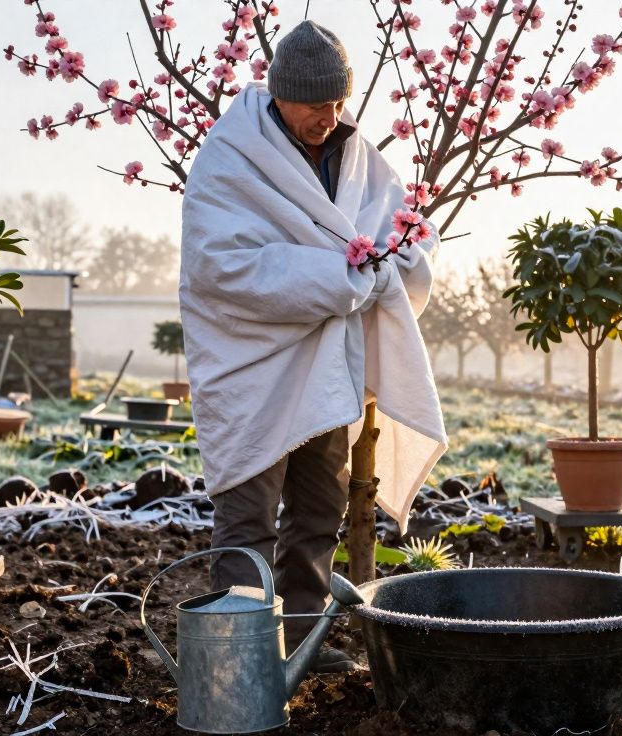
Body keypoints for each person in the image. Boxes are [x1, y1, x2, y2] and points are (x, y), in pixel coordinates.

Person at [179, 20, 447, 674]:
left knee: (319, 512)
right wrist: (335, 275)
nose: (328, 117)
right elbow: (222, 267)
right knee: (246, 521)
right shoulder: (229, 156)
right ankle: (236, 661)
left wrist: (394, 260)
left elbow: (401, 228)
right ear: (279, 95)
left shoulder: (358, 152)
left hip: (329, 367)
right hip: (255, 369)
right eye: (314, 105)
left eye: (337, 103)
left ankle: (303, 647)